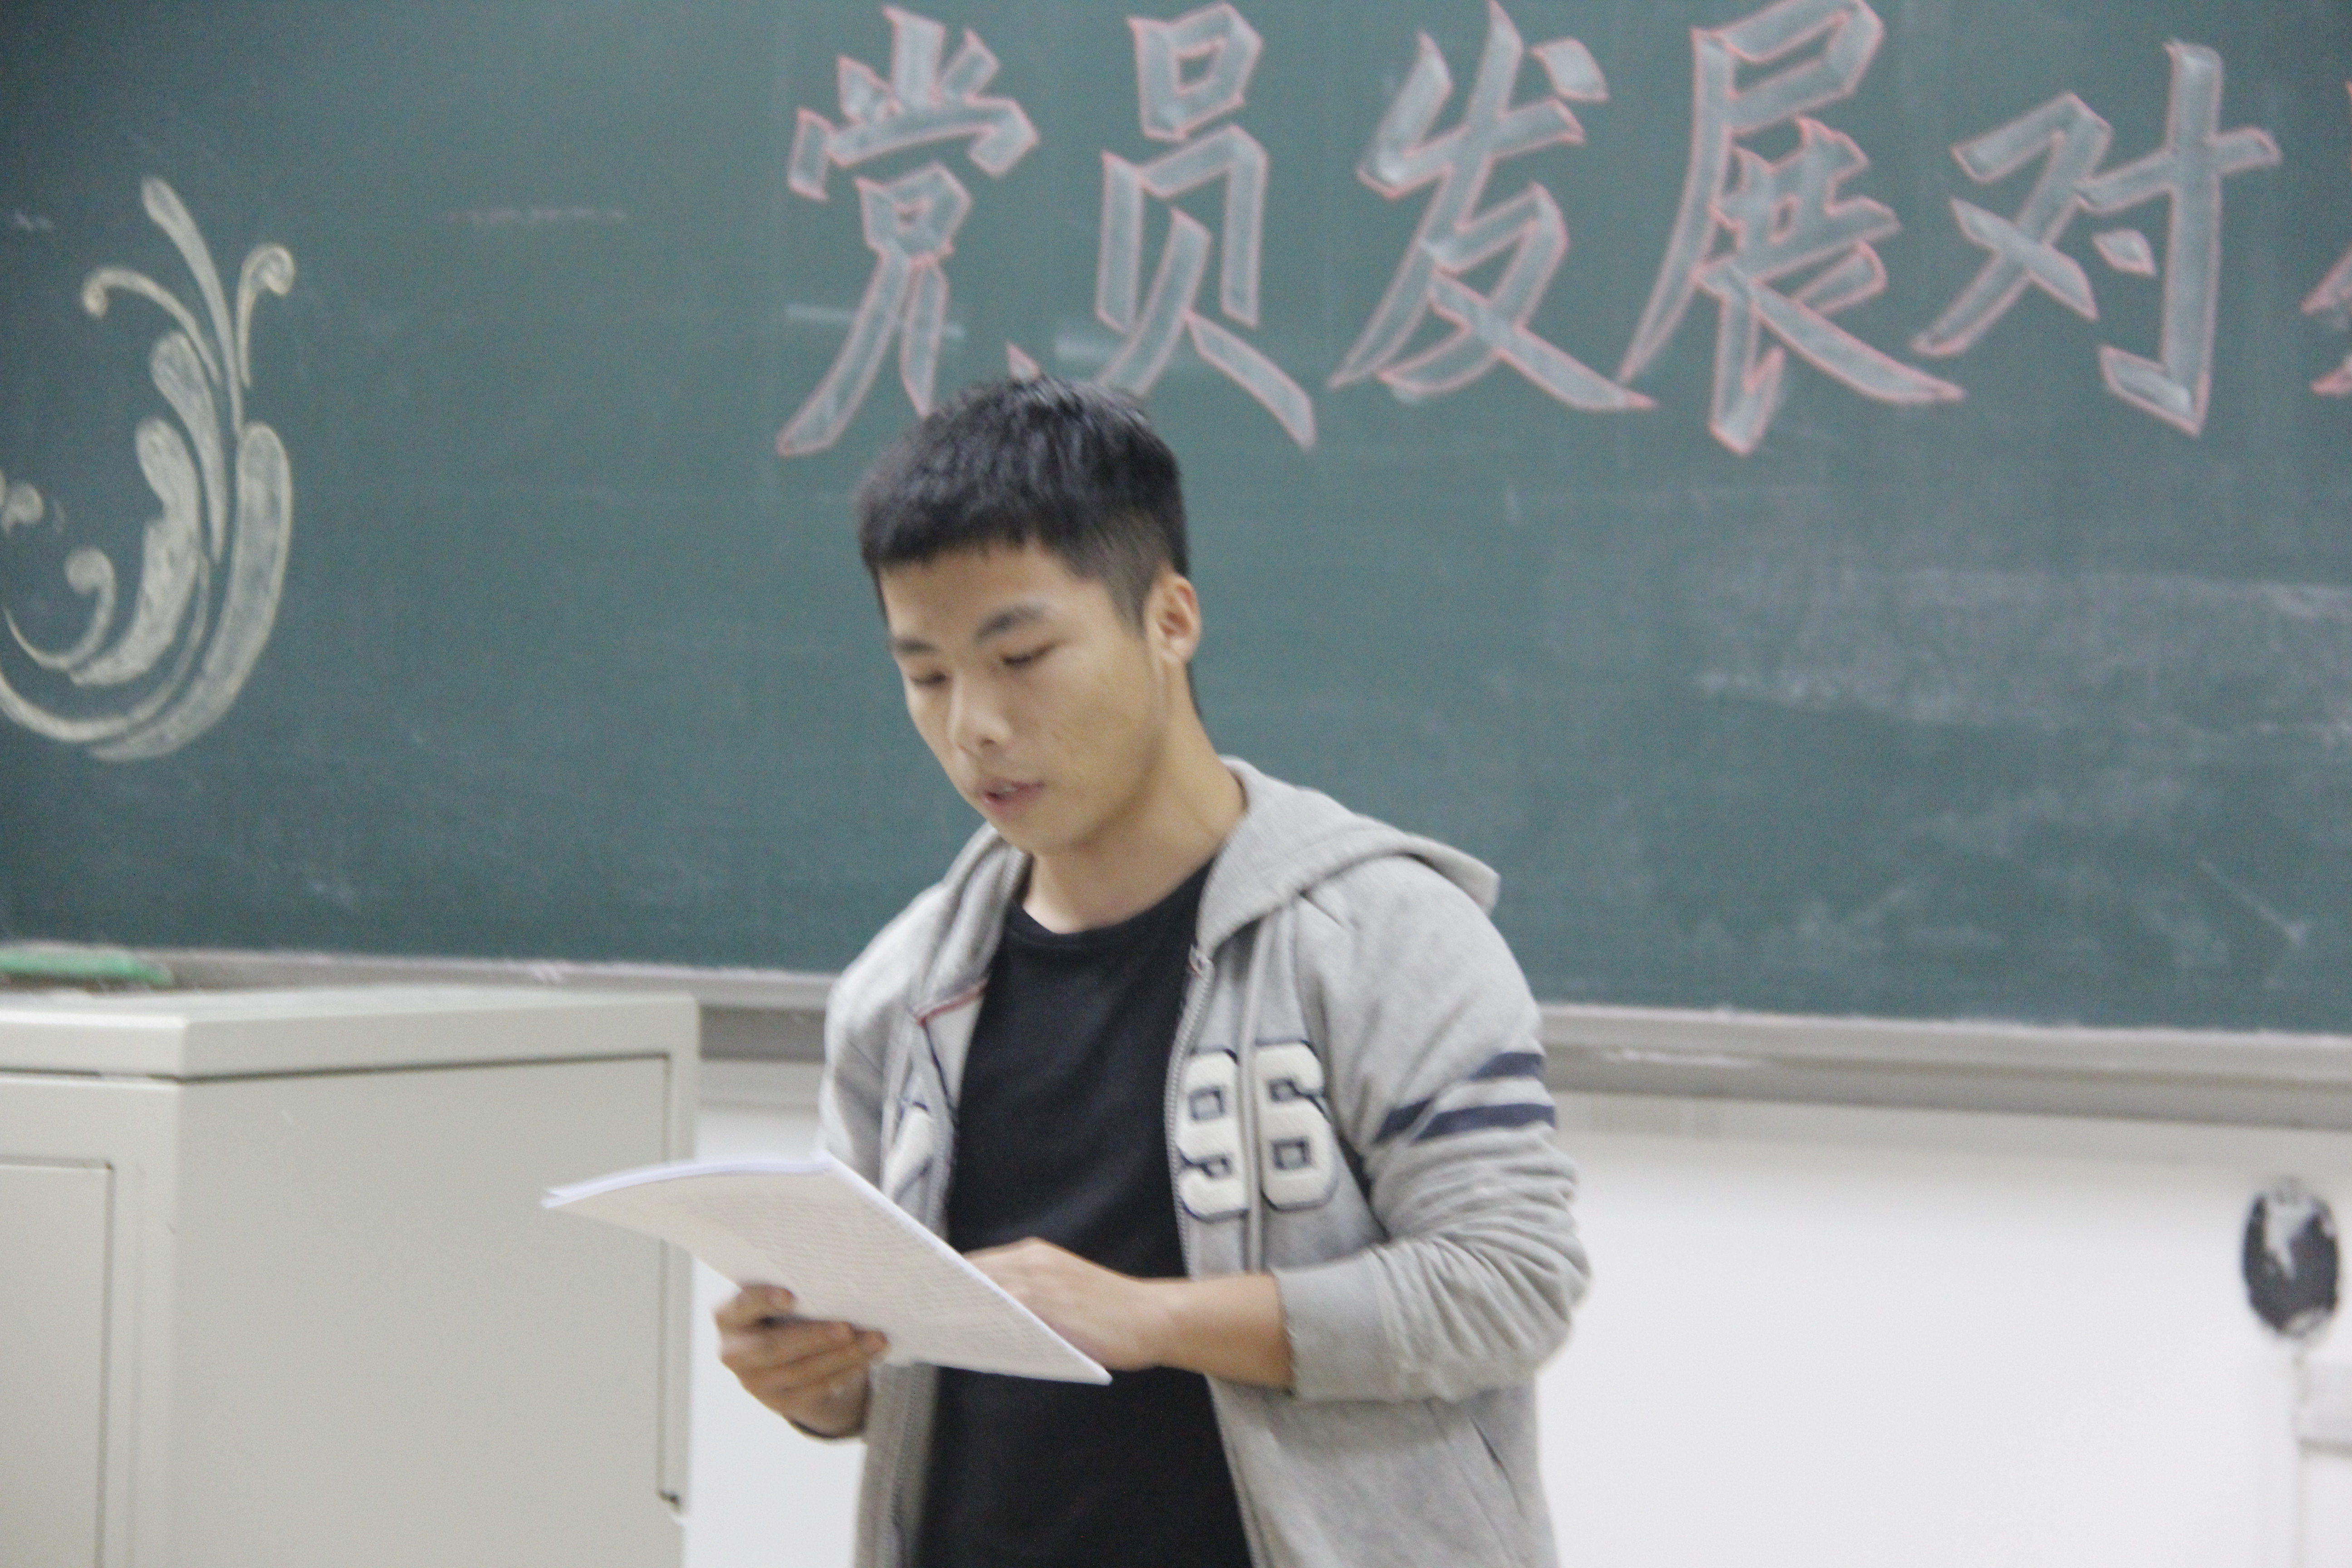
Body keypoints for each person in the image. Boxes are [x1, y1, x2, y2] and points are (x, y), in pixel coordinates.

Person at [716, 377, 1587, 1568]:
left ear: (1170, 620)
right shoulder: (901, 991)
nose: (974, 725)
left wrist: (1152, 1319)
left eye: (1022, 656)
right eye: (927, 675)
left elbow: (1509, 1285)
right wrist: (814, 1378)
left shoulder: (1380, 935)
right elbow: (885, 1375)